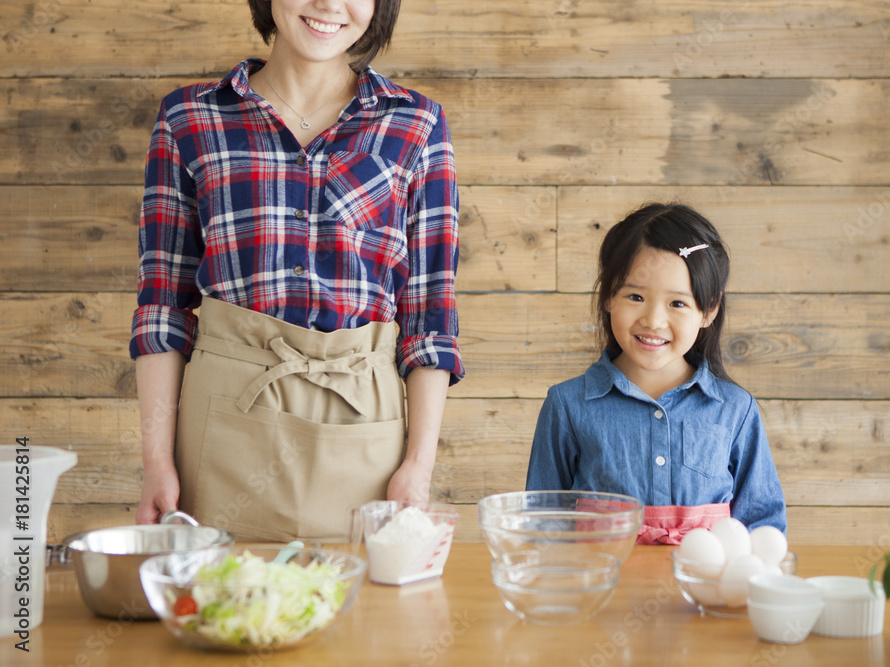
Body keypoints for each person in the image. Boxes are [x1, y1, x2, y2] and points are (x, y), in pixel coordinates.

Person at [131, 0, 463, 542]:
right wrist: (156, 462)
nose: (329, 4)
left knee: (361, 616)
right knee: (223, 611)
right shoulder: (189, 118)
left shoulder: (417, 124)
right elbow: (163, 310)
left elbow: (430, 318)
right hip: (223, 423)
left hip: (364, 423)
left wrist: (418, 468)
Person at [526, 202, 785, 544]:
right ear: (608, 297)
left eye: (677, 303)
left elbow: (763, 525)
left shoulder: (736, 409)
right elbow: (543, 522)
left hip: (703, 595)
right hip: (606, 592)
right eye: (635, 296)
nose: (653, 321)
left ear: (708, 310)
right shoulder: (567, 404)